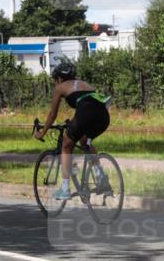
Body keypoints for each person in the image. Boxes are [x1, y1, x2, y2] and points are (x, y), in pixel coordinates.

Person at [33, 59, 111, 200]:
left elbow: (52, 114)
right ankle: (101, 177)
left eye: (55, 80)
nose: (55, 83)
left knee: (66, 145)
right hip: (103, 115)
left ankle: (65, 189)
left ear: (60, 78)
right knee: (85, 141)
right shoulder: (84, 84)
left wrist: (42, 132)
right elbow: (87, 105)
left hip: (86, 112)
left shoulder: (60, 87)